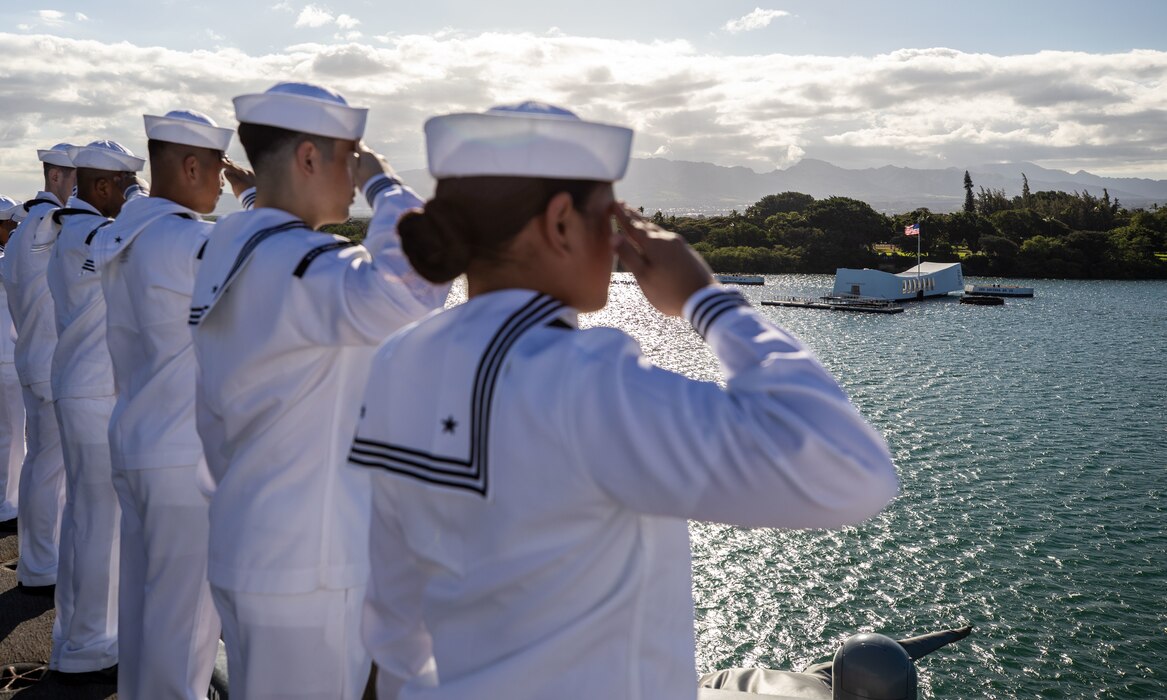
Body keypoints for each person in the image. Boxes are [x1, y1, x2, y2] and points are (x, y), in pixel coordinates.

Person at [351, 102, 900, 699]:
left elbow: (391, 612)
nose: (616, 243)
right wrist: (706, 300)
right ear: (561, 221)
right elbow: (853, 473)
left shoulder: (397, 359)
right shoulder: (583, 382)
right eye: (607, 217)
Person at [188, 82, 450, 699]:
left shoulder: (230, 244)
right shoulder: (302, 266)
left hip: (250, 540)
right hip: (307, 565)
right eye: (348, 155)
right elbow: (419, 280)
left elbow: (264, 215)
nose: (352, 174)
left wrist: (255, 191)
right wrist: (385, 184)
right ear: (309, 158)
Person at [93, 109, 255, 700]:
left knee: (143, 609)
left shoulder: (126, 231)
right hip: (180, 453)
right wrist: (255, 192)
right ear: (191, 165)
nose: (222, 182)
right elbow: (278, 259)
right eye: (217, 168)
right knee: (185, 621)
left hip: (135, 435)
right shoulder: (187, 242)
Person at [45, 139, 147, 682]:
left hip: (81, 388)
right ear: (102, 186)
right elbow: (142, 238)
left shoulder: (73, 229)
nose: (131, 195)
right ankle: (88, 642)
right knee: (97, 523)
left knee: (85, 518)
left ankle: (76, 634)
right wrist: (145, 203)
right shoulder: (88, 232)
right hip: (91, 392)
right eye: (125, 185)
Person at [0, 143, 76, 599]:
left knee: (36, 464)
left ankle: (35, 557)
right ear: (59, 177)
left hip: (28, 356)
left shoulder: (26, 226)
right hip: (52, 363)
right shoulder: (55, 229)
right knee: (52, 468)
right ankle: (44, 562)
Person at [0, 197, 26, 533]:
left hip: (8, 357)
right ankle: (8, 504)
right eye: (11, 224)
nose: (15, 230)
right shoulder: (8, 262)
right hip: (7, 359)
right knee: (13, 436)